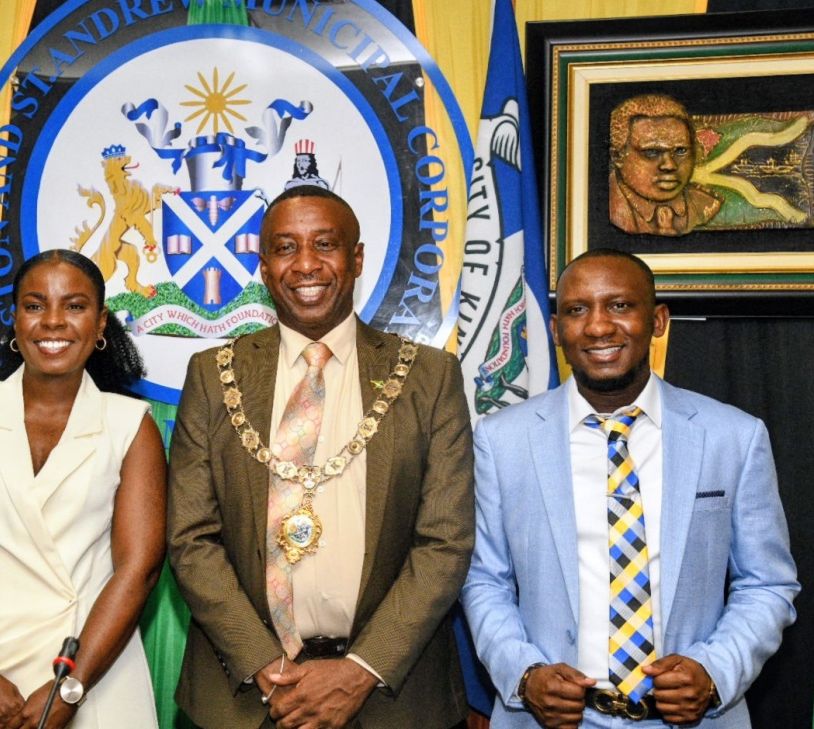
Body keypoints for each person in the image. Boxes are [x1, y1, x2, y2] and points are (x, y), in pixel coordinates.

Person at [168, 185, 475, 729]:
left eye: (325, 244)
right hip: (247, 698)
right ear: (265, 268)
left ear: (356, 259)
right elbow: (191, 538)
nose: (306, 264)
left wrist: (361, 669)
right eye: (285, 248)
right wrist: (261, 661)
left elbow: (445, 542)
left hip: (393, 697)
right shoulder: (212, 375)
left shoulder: (429, 377)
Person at [462, 248, 799, 728]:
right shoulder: (501, 441)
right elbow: (483, 580)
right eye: (577, 310)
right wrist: (524, 674)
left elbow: (767, 583)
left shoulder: (733, 437)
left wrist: (715, 671)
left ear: (658, 320)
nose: (598, 326)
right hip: (549, 718)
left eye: (620, 305)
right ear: (556, 330)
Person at [0, 249, 165, 729]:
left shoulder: (131, 424)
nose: (52, 322)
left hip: (91, 667)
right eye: (34, 305)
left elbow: (139, 569)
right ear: (14, 319)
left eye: (74, 306)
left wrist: (73, 684)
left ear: (100, 322)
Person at [607, 95, 786, 236]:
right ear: (618, 157)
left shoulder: (706, 206)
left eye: (681, 151)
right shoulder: (609, 211)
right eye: (652, 152)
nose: (669, 165)